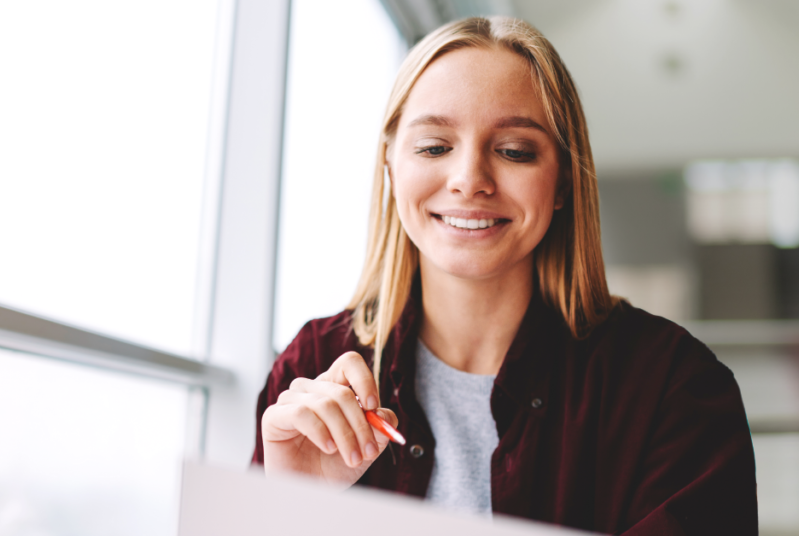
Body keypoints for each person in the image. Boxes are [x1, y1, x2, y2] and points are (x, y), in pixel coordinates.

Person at [253, 16, 757, 535]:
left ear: (562, 179)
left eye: (514, 151)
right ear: (390, 163)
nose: (470, 180)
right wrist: (293, 511)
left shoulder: (673, 388)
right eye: (433, 147)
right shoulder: (311, 370)